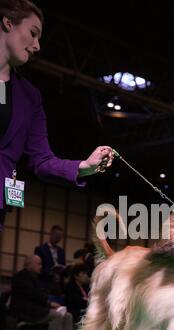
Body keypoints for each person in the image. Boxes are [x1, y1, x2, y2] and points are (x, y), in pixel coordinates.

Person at [0, 0, 114, 231]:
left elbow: (42, 160)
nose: (37, 45)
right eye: (33, 33)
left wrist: (85, 166)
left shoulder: (30, 97)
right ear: (7, 23)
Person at [10, 254, 73, 330]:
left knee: (68, 315)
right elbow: (33, 295)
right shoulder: (20, 277)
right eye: (39, 264)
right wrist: (49, 304)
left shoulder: (36, 278)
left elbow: (40, 296)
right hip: (25, 312)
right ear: (29, 264)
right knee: (57, 315)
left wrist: (49, 305)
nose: (41, 266)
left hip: (38, 310)